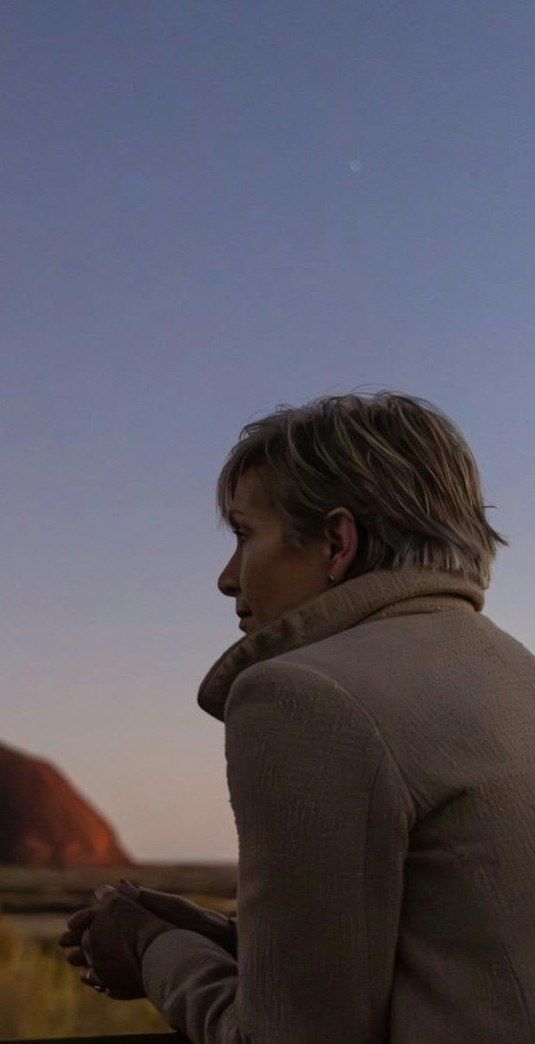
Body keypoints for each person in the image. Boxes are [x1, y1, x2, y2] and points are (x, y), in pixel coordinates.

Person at [58, 390, 535, 1043]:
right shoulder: (517, 673)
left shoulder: (303, 695)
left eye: (244, 535)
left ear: (336, 543)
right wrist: (228, 940)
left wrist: (149, 949)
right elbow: (460, 954)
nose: (228, 578)